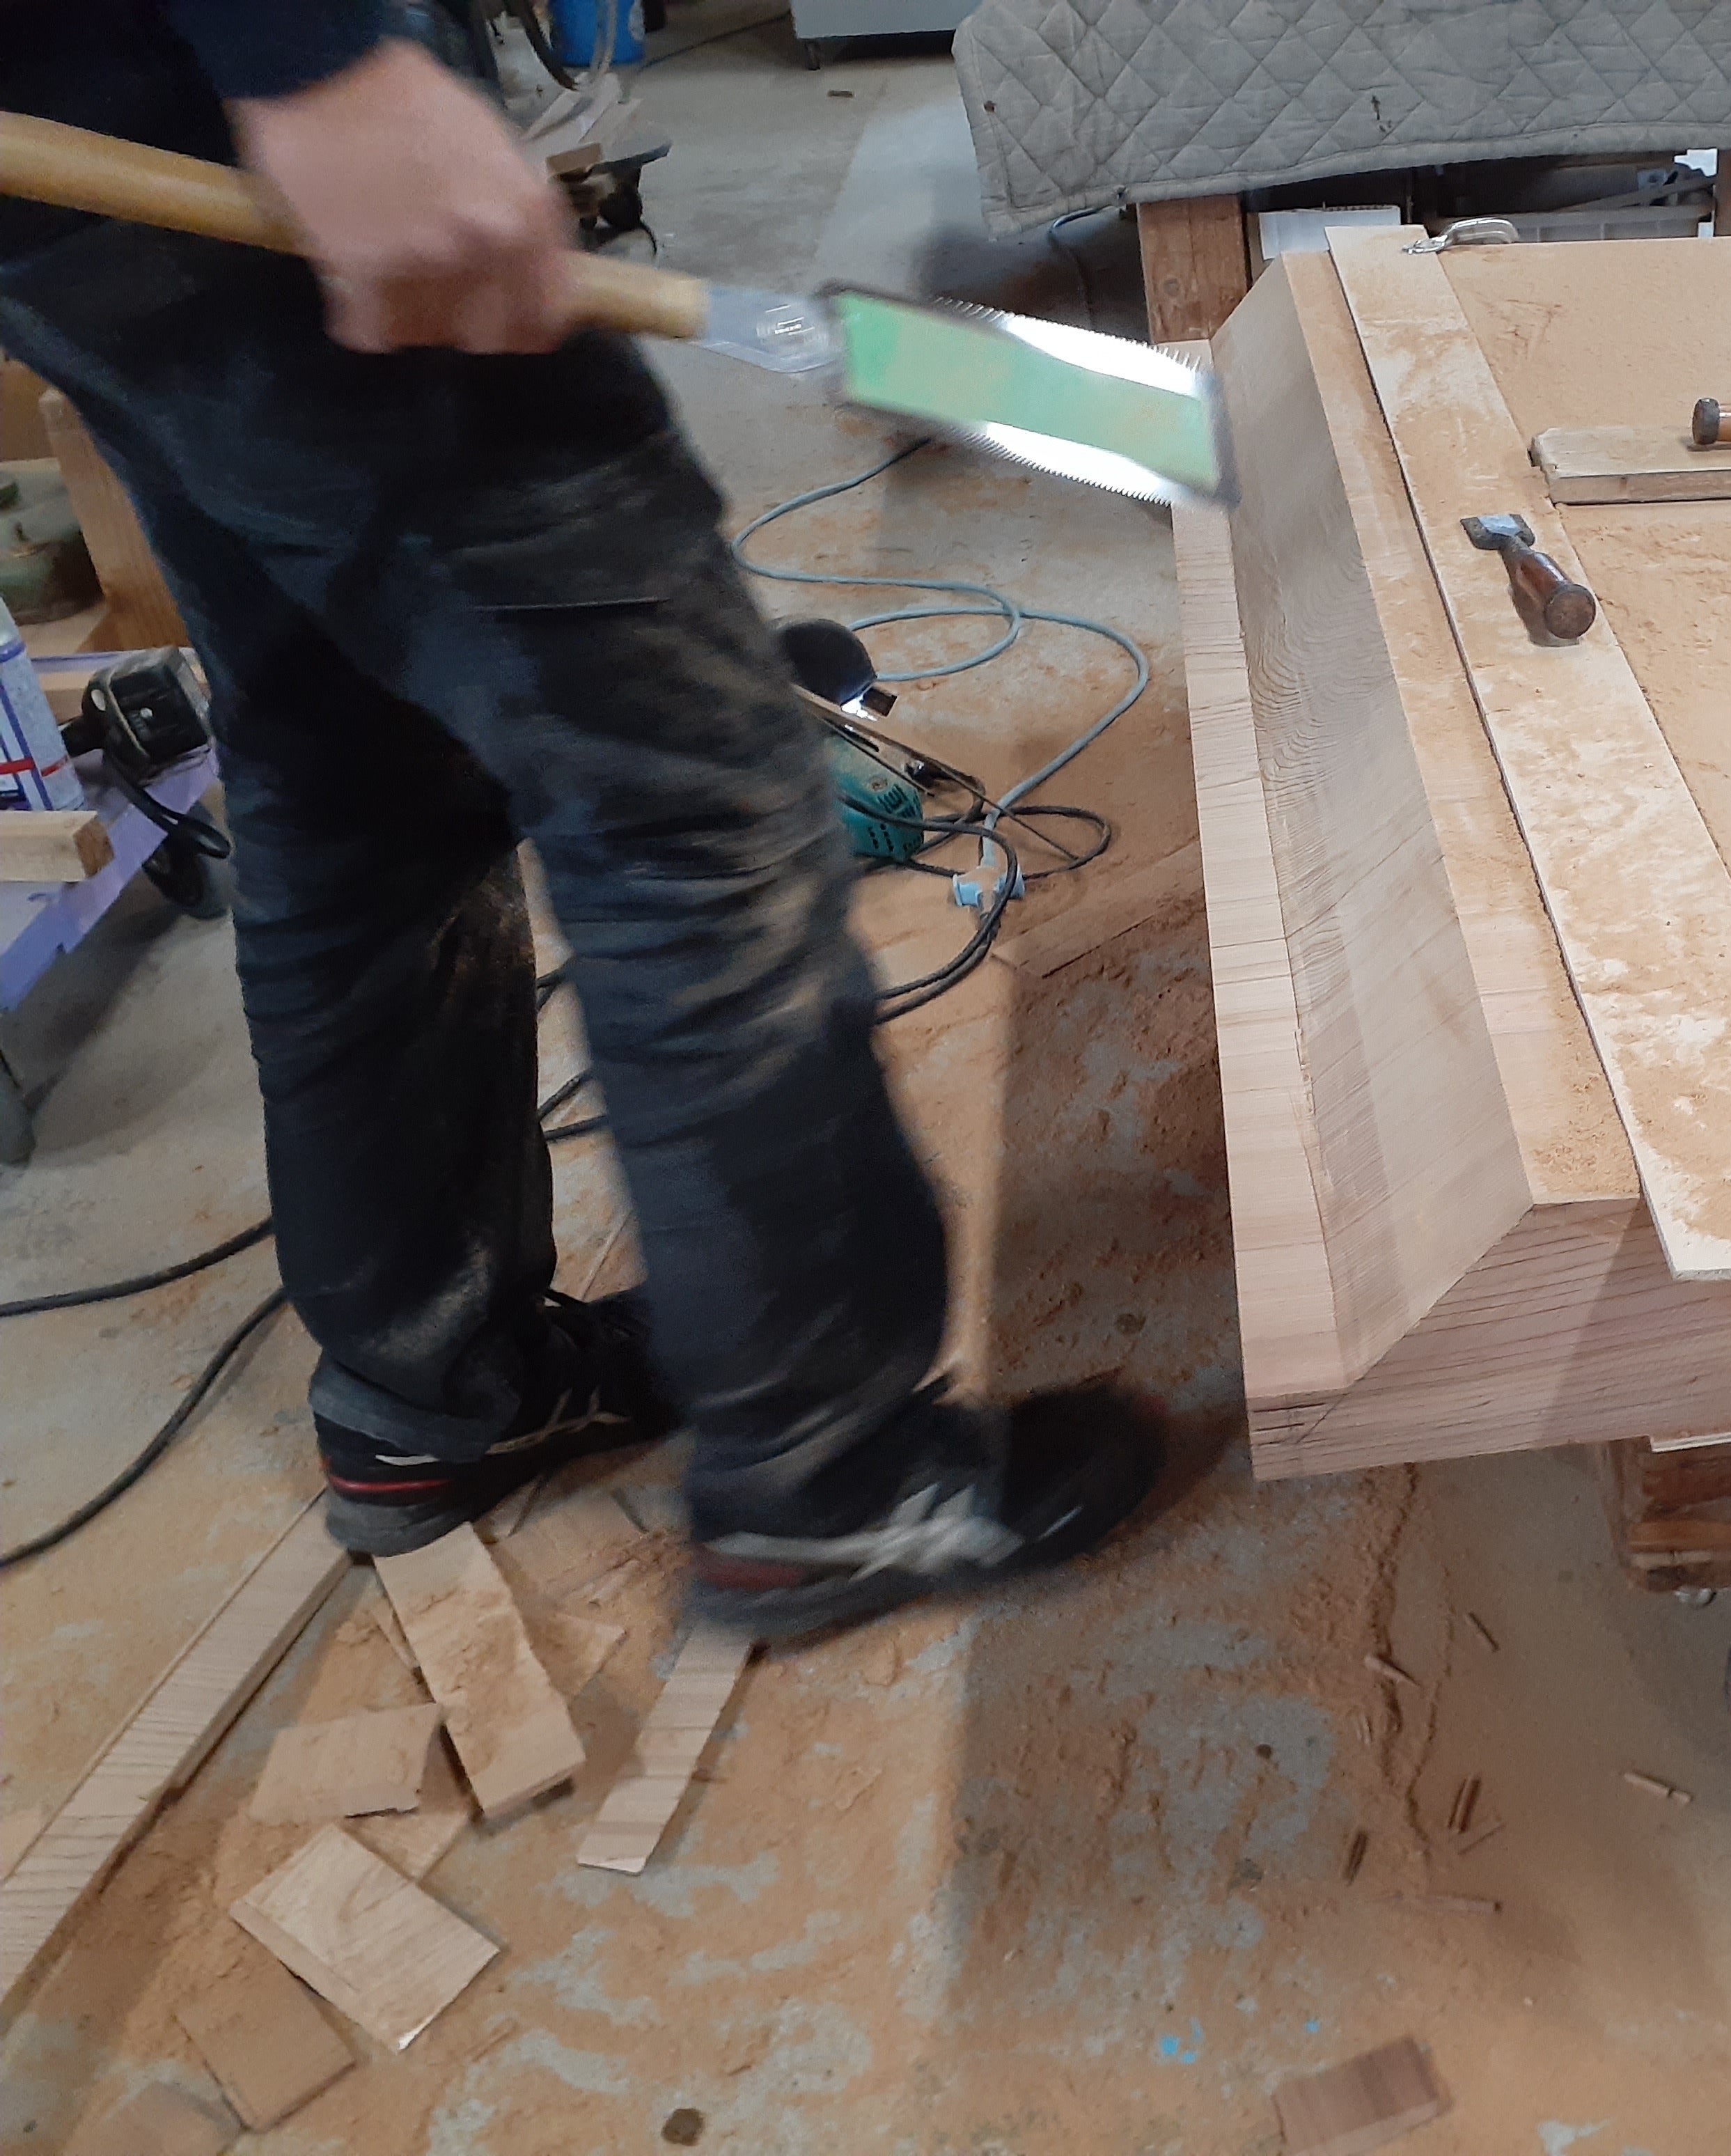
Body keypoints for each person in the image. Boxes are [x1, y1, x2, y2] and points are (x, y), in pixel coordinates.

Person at [0, 4, 1164, 1635]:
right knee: (691, 792)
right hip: (220, 119)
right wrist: (319, 62)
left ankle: (438, 1390)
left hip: (86, 184)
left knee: (355, 772)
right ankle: (829, 1482)